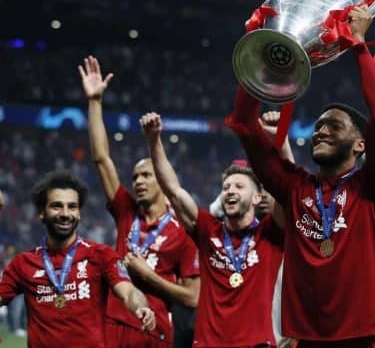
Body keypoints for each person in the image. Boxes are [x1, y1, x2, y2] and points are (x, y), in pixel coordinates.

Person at [227, 6, 375, 347]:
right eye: (319, 126)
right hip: (307, 340)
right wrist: (259, 54)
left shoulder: (374, 186)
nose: (321, 132)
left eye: (334, 126)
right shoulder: (295, 187)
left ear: (360, 144)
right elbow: (244, 125)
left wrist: (359, 46)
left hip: (366, 339)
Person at [80, 56, 200, 348]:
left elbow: (193, 296)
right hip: (112, 322)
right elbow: (101, 159)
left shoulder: (183, 230)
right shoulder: (126, 211)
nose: (138, 182)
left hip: (154, 329)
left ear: (162, 178)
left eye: (146, 175)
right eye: (135, 177)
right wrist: (95, 101)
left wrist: (149, 276)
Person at [141, 111, 285, 348]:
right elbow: (174, 191)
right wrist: (153, 140)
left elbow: (284, 188)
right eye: (226, 186)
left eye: (239, 186)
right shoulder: (208, 230)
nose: (230, 190)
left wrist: (278, 139)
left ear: (258, 197)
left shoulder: (270, 233)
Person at [0, 171, 156, 348]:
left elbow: (128, 292)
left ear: (79, 213)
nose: (65, 214)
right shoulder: (23, 263)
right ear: (42, 213)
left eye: (72, 207)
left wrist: (141, 307)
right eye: (57, 206)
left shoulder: (101, 255)